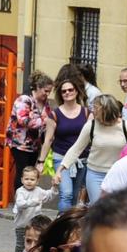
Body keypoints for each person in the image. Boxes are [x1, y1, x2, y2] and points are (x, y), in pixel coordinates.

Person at [62, 94, 127, 200]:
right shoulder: (91, 125)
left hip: (117, 174)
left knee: (116, 209)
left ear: (105, 109)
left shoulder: (126, 127)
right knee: (98, 208)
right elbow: (76, 148)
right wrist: (61, 168)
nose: (93, 110)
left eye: (95, 107)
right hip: (95, 174)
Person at [47, 73, 90, 208]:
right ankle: (62, 227)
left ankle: (68, 224)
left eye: (70, 90)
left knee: (75, 195)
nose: (67, 93)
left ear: (76, 91)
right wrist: (41, 162)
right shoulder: (54, 114)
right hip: (61, 158)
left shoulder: (87, 113)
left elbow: (92, 138)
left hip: (81, 160)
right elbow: (48, 139)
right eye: (64, 91)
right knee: (67, 193)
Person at [4, 73, 51, 193]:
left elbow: (50, 119)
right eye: (45, 91)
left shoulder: (45, 104)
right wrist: (44, 121)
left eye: (50, 91)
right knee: (22, 171)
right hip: (20, 144)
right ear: (38, 87)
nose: (47, 94)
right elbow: (23, 120)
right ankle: (19, 198)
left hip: (34, 145)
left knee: (31, 172)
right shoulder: (24, 100)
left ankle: (28, 197)